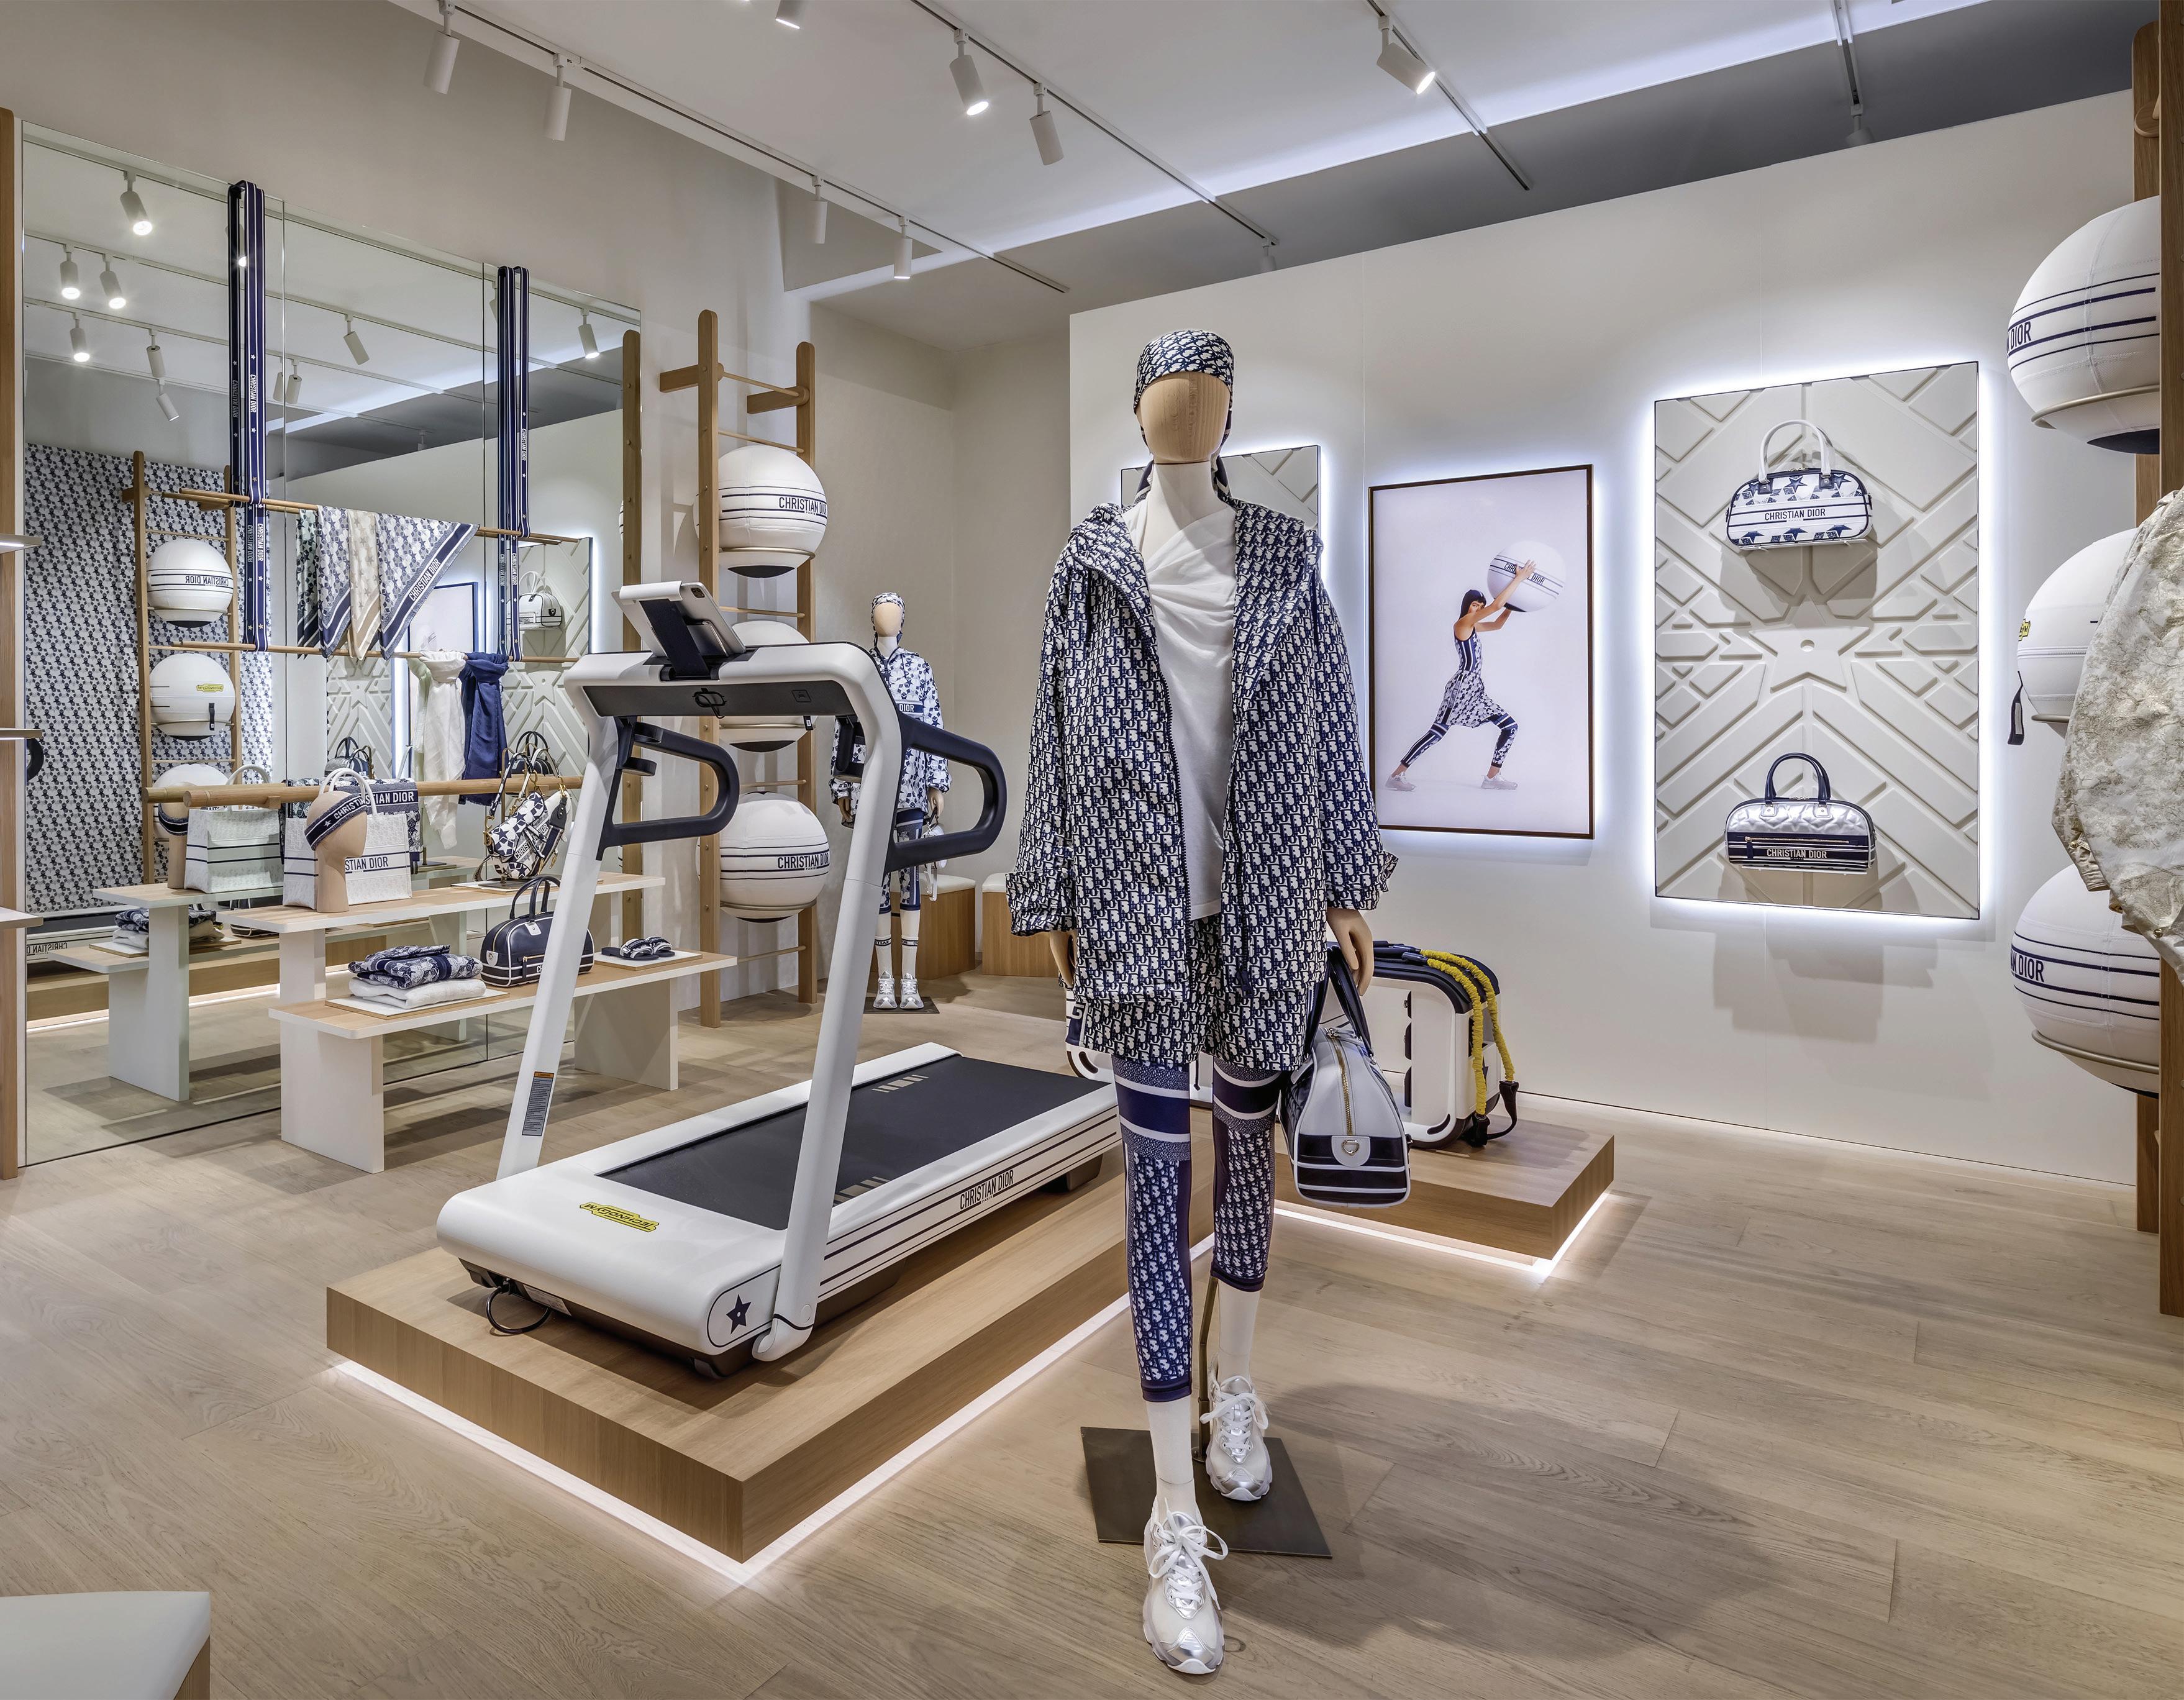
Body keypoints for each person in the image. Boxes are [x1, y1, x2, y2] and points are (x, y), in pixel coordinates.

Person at [1010, 329, 1390, 1678]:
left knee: (1245, 1162)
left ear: (1227, 415)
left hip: (1267, 900)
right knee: (1152, 1178)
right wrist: (1048, 887)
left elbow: (1332, 715)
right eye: (1170, 395)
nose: (1187, 412)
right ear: (1141, 412)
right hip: (1130, 902)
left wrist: (1345, 875)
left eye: (1209, 396)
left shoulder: (1281, 556)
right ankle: (1173, 1510)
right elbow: (1051, 730)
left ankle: (1240, 1391)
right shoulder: (1089, 562)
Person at [1386, 561, 1532, 791]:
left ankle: (1492, 778)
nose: (1478, 609)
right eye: (1475, 605)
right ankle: (1397, 775)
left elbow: (1497, 624)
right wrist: (1518, 579)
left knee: (1510, 726)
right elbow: (1495, 606)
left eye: (1480, 606)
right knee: (1437, 733)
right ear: (1467, 606)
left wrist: (1512, 605)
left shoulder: (1473, 627)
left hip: (1475, 688)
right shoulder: (1463, 623)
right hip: (1461, 688)